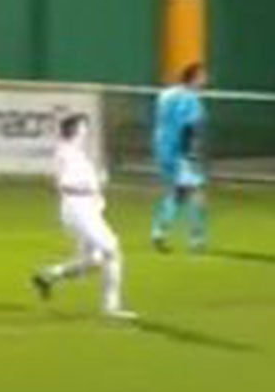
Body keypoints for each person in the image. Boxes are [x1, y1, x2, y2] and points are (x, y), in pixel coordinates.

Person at [31, 112, 134, 319]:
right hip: (78, 208)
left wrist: (98, 182)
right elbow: (65, 183)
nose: (87, 130)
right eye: (83, 126)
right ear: (76, 130)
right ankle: (111, 307)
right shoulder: (65, 152)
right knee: (112, 249)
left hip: (87, 209)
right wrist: (90, 184)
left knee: (93, 261)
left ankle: (49, 275)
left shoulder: (77, 153)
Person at [151, 62, 208, 252]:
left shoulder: (166, 95)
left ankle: (159, 232)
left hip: (162, 148)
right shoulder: (192, 100)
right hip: (181, 152)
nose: (205, 79)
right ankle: (196, 239)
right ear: (195, 77)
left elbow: (161, 121)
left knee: (177, 193)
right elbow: (189, 128)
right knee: (196, 193)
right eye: (203, 76)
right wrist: (190, 153)